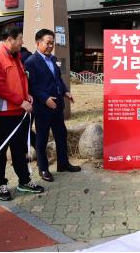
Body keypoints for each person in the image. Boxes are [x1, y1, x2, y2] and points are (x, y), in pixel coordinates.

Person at [0, 26, 44, 201]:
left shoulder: (17, 57)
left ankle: (24, 180)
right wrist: (21, 101)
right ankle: (0, 184)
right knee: (1, 151)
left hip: (19, 113)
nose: (22, 42)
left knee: (20, 149)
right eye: (20, 38)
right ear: (10, 39)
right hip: (1, 114)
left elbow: (19, 82)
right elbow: (0, 87)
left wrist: (27, 95)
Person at [25, 29, 81, 183]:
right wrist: (44, 98)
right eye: (47, 43)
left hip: (57, 106)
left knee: (61, 135)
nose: (50, 46)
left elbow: (58, 79)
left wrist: (65, 92)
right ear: (38, 43)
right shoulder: (31, 62)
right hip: (43, 108)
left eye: (52, 43)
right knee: (41, 139)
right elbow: (31, 86)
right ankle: (43, 169)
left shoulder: (54, 59)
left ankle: (63, 163)